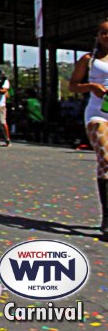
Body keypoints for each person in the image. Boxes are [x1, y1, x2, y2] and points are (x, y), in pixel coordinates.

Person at [69, 18, 108, 236]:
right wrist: (91, 86)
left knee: (106, 167)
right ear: (97, 36)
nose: (106, 36)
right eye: (103, 32)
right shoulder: (89, 60)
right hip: (97, 114)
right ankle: (107, 220)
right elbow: (73, 86)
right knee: (106, 158)